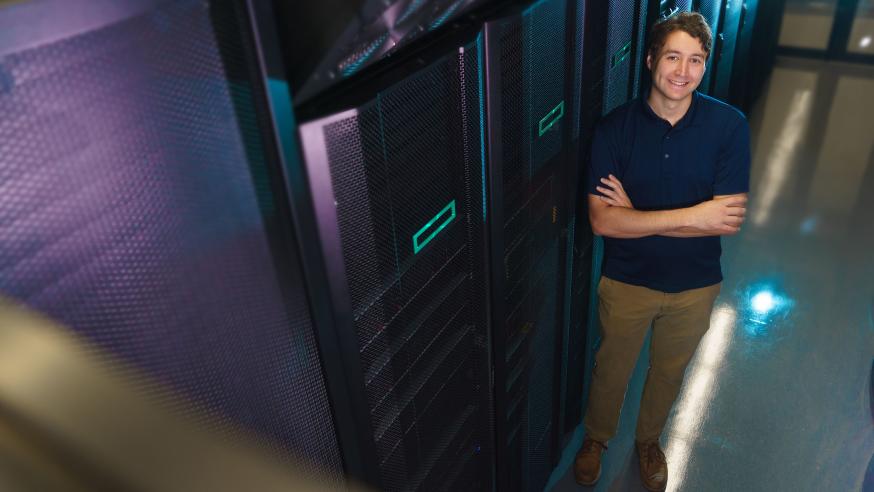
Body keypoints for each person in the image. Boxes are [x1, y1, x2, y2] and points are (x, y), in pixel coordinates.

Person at [573, 12, 750, 492]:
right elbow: (604, 221)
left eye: (696, 60)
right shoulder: (613, 130)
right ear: (650, 58)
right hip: (627, 280)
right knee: (612, 369)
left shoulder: (729, 126)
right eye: (673, 56)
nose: (683, 71)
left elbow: (727, 221)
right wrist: (695, 217)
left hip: (696, 285)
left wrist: (640, 218)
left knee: (669, 372)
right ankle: (596, 439)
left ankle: (648, 441)